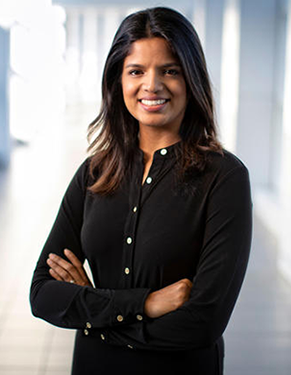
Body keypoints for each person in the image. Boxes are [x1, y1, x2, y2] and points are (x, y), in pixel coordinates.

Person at [30, 6, 252, 375]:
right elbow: (42, 294)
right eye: (136, 71)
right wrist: (146, 304)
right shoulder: (94, 172)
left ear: (191, 79)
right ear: (118, 81)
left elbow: (204, 321)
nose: (152, 85)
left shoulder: (224, 178)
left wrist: (93, 314)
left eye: (170, 71)